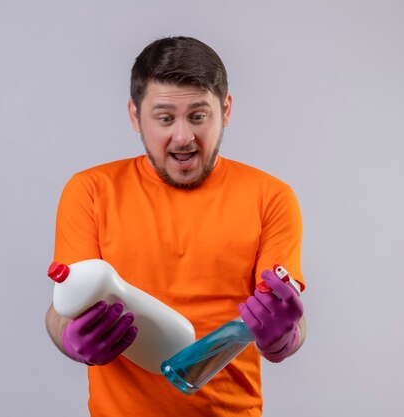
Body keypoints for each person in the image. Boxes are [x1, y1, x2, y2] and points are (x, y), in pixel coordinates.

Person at [45, 36, 306, 417]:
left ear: (226, 110)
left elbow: (286, 315)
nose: (183, 137)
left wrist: (285, 336)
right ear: (135, 116)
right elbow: (61, 310)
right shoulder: (91, 191)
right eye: (165, 117)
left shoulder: (271, 197)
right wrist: (70, 340)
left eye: (198, 116)